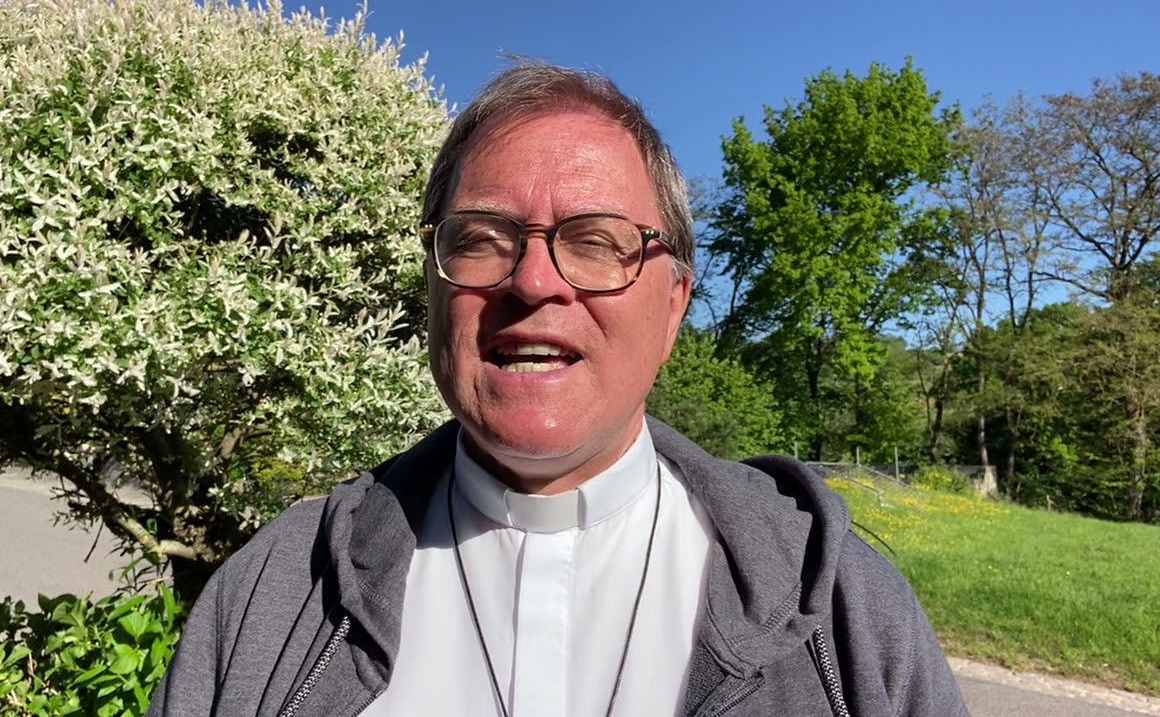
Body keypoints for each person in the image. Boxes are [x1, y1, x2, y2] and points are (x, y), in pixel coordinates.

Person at [148, 63, 969, 717]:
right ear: (435, 286)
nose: (534, 280)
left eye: (596, 242)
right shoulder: (276, 591)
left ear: (674, 302)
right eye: (481, 239)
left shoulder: (845, 617)